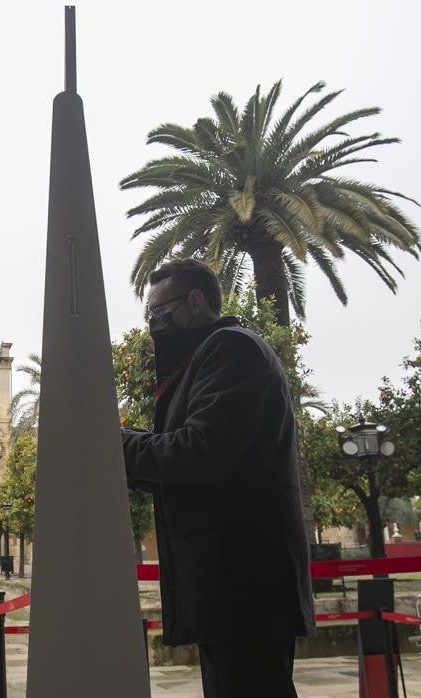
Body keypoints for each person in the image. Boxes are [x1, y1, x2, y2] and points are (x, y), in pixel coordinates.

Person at [120, 259, 315, 698]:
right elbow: (186, 469)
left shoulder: (232, 349)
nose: (153, 321)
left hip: (246, 584)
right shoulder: (204, 358)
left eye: (158, 310)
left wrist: (115, 444)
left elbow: (199, 452)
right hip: (231, 585)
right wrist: (129, 447)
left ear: (195, 300)